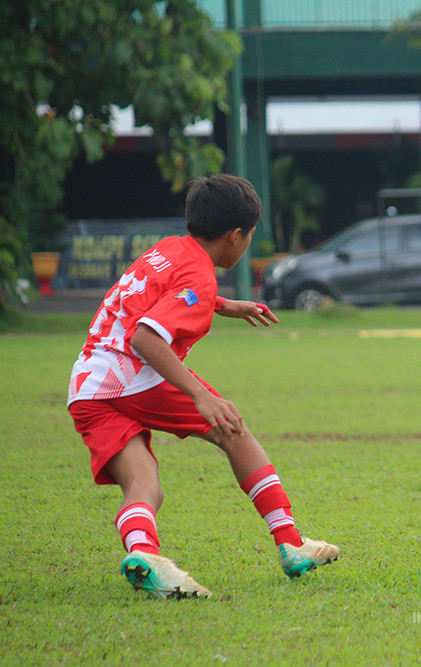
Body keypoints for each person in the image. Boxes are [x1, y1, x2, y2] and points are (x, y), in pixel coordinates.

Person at [67, 174, 339, 600]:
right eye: (250, 236)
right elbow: (146, 337)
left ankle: (144, 555)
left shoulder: (168, 249)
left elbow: (163, 293)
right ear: (235, 236)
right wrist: (201, 395)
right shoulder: (199, 275)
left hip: (87, 386)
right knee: (233, 428)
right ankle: (290, 542)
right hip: (129, 375)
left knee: (144, 484)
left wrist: (224, 305)